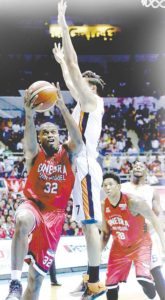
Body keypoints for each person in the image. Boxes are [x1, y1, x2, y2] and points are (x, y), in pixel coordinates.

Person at [5, 83, 82, 300]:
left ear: (60, 137)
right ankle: (14, 283)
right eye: (45, 132)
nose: (49, 135)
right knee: (21, 219)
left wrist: (62, 105)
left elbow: (78, 140)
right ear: (40, 138)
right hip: (34, 206)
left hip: (55, 217)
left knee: (37, 280)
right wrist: (29, 116)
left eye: (53, 132)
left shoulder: (69, 154)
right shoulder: (34, 154)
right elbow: (29, 145)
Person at [52, 1, 106, 298]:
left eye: (84, 83)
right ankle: (89, 277)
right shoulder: (83, 103)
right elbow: (71, 75)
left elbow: (74, 67)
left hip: (85, 165)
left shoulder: (93, 102)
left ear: (93, 88)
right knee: (86, 227)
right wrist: (61, 63)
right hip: (79, 166)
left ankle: (96, 282)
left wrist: (62, 19)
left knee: (90, 226)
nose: (79, 84)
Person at [102, 172, 165, 300]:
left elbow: (156, 218)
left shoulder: (138, 199)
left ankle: (152, 290)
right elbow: (105, 232)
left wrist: (163, 242)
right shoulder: (105, 203)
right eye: (105, 185)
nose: (107, 187)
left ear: (119, 186)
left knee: (148, 277)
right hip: (120, 245)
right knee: (110, 284)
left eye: (110, 184)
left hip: (142, 241)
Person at [121, 161, 165, 300]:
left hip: (147, 234)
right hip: (127, 237)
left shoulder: (151, 190)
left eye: (142, 166)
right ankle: (148, 287)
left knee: (156, 270)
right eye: (136, 165)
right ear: (132, 170)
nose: (138, 167)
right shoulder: (122, 187)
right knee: (143, 280)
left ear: (146, 171)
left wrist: (157, 226)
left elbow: (159, 213)